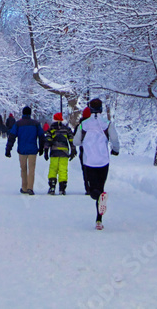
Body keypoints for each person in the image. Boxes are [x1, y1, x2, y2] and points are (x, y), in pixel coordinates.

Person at [73, 98, 119, 230]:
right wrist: (115, 149)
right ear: (101, 109)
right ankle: (99, 220)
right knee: (100, 186)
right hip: (103, 161)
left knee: (93, 189)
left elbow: (76, 141)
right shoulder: (107, 123)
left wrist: (84, 143)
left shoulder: (84, 125)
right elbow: (114, 138)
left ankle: (97, 194)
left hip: (89, 161)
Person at [5, 106, 45, 195]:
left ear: (23, 113)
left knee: (23, 169)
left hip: (22, 150)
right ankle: (30, 188)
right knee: (31, 169)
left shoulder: (18, 124)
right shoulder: (36, 124)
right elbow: (41, 136)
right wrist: (42, 148)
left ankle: (24, 187)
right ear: (30, 113)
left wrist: (8, 149)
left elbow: (12, 137)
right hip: (33, 150)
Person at [44, 112, 76, 195]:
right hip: (64, 153)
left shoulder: (51, 129)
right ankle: (62, 188)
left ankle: (52, 186)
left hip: (54, 152)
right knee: (63, 170)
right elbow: (71, 139)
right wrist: (73, 150)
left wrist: (46, 151)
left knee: (53, 169)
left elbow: (48, 140)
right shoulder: (66, 129)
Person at [74, 106, 92, 195]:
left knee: (85, 170)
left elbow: (75, 139)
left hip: (83, 150)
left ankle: (87, 188)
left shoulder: (80, 126)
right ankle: (94, 186)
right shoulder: (94, 125)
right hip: (94, 150)